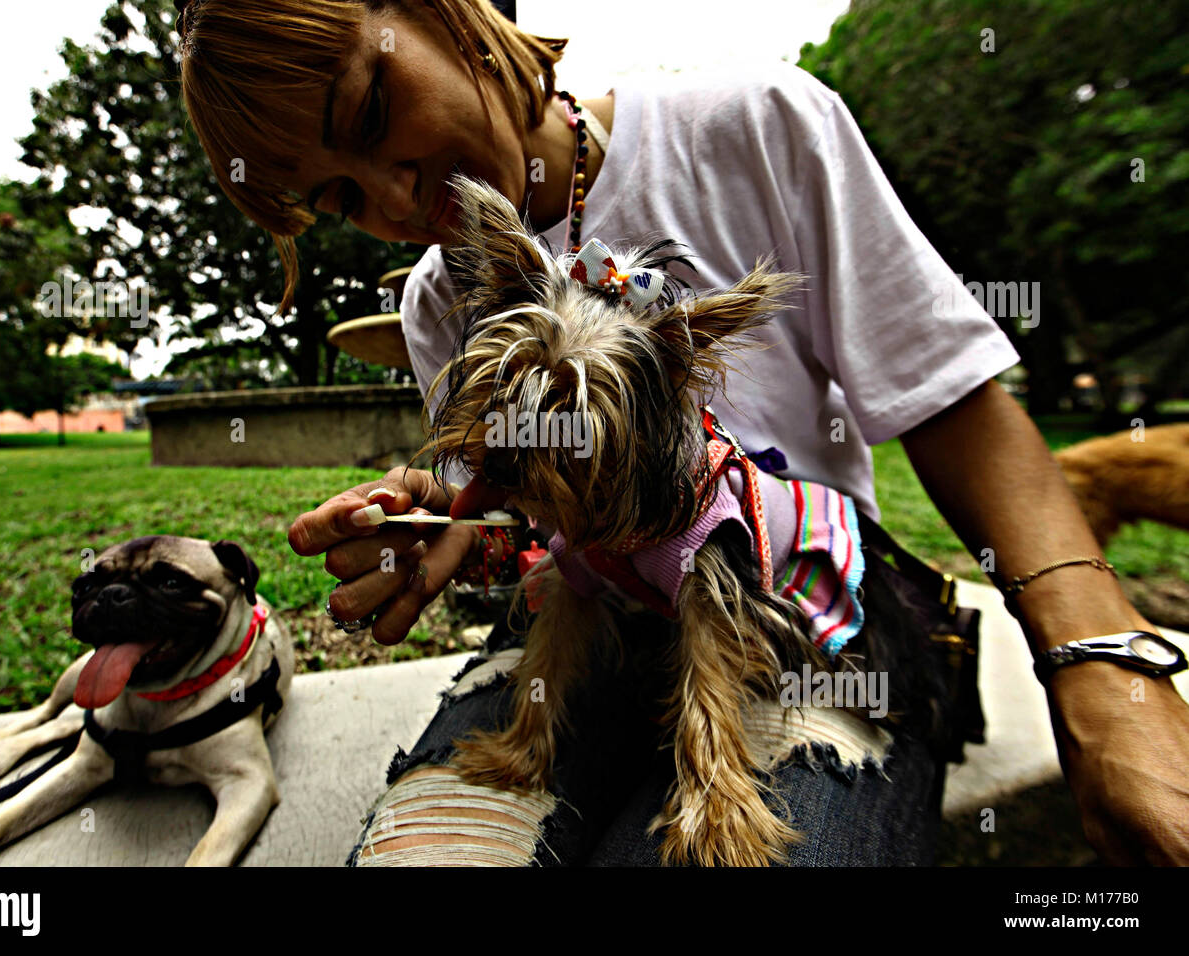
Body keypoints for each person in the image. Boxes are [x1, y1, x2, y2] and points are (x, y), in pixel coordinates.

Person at [177, 0, 1189, 865]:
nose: (398, 198)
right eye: (341, 198)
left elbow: (955, 409)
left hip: (801, 609)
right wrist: (427, 531)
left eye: (372, 113)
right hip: (581, 599)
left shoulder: (755, 124)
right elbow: (503, 506)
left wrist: (1103, 664)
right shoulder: (443, 296)